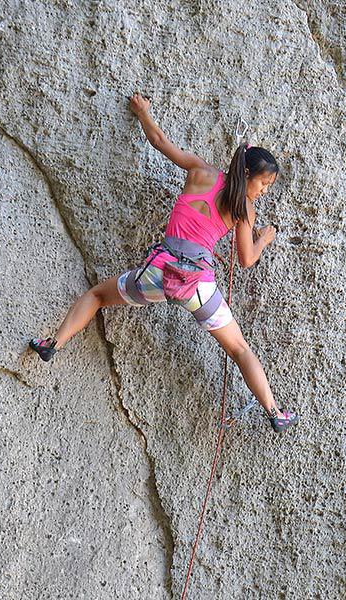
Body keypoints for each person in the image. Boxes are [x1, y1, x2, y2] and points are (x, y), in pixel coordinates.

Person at [29, 93, 299, 433]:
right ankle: (275, 411)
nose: (262, 191)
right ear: (247, 174)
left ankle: (54, 343)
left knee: (96, 296)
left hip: (159, 274)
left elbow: (159, 141)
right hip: (197, 285)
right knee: (240, 348)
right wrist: (265, 237)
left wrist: (143, 112)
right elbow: (247, 259)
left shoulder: (200, 171)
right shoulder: (244, 210)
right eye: (263, 183)